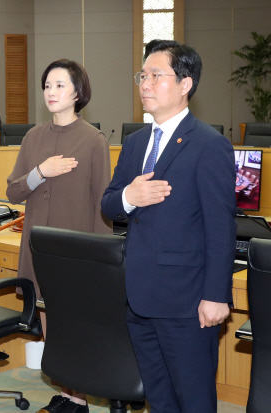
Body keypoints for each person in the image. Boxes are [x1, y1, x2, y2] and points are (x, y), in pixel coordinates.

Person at [101, 40, 235, 412]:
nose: (145, 84)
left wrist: (216, 295)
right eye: (142, 76)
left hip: (188, 302)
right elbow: (110, 204)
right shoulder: (135, 143)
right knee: (159, 398)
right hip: (139, 295)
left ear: (185, 83)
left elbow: (221, 228)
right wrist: (130, 196)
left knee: (193, 400)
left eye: (156, 75)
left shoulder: (210, 145)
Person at [6, 59, 111, 413]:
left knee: (75, 327)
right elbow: (13, 192)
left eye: (60, 85)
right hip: (39, 249)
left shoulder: (93, 140)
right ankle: (67, 393)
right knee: (49, 323)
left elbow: (103, 206)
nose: (51, 92)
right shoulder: (33, 136)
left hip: (76, 254)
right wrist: (40, 171)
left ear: (77, 93)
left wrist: (99, 261)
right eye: (47, 85)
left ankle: (77, 397)